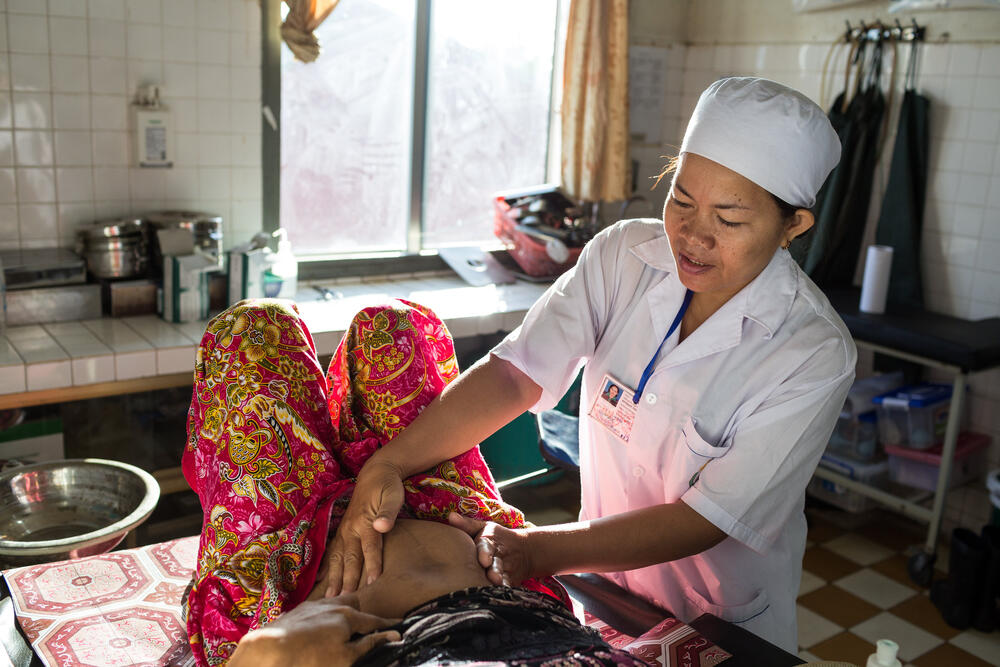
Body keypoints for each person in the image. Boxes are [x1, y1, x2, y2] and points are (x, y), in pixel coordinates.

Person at [323, 77, 856, 653]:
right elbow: (515, 372)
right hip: (604, 590)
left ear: (792, 227)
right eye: (680, 199)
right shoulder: (623, 256)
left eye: (728, 219)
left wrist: (540, 548)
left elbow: (707, 518)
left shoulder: (811, 352)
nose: (693, 235)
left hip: (719, 617)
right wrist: (389, 463)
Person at [181, 298, 625, 666]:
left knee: (249, 329)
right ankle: (366, 461)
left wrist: (265, 654)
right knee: (391, 325)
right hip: (458, 521)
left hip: (280, 572)